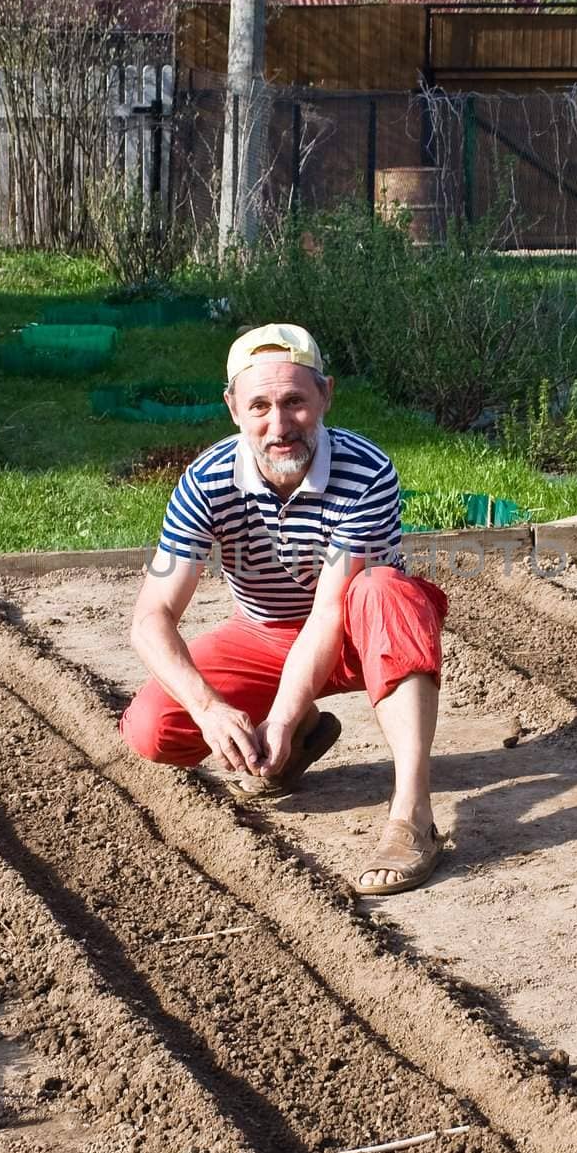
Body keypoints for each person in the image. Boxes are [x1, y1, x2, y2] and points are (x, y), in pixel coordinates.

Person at [121, 323, 447, 895]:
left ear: (325, 395)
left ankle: (412, 815)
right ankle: (299, 741)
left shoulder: (366, 472)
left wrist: (282, 711)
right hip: (266, 633)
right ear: (232, 408)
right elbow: (151, 617)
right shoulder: (205, 481)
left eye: (296, 401)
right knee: (155, 729)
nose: (280, 425)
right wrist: (208, 709)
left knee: (383, 589)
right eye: (260, 406)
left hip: (354, 631)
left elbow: (328, 614)